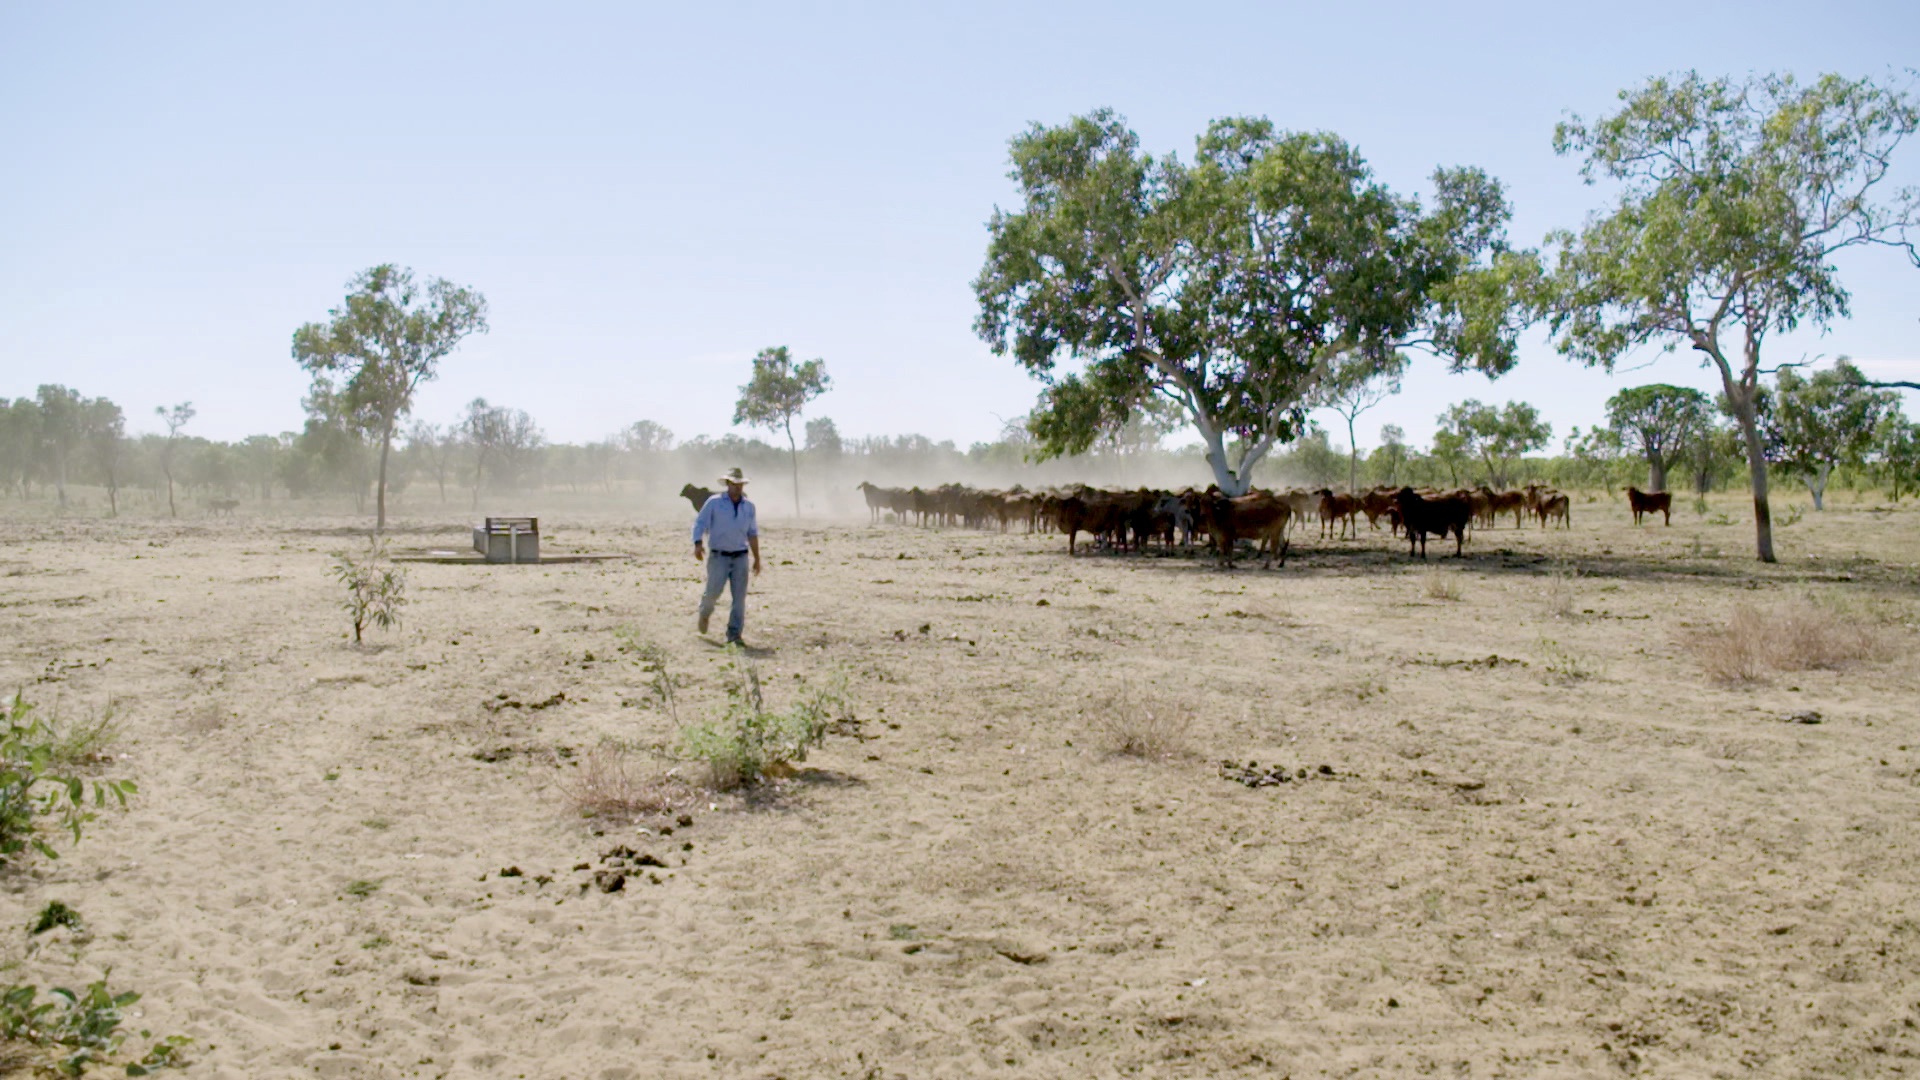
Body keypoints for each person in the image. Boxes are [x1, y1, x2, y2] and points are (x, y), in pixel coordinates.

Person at [690, 467, 761, 645]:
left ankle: (734, 634)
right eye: (734, 484)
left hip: (741, 557)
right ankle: (705, 613)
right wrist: (698, 543)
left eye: (740, 484)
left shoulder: (749, 506)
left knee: (739, 597)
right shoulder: (714, 503)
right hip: (719, 556)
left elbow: (752, 533)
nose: (737, 487)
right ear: (728, 484)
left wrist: (757, 558)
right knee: (713, 592)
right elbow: (700, 522)